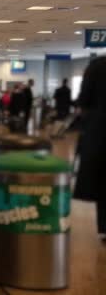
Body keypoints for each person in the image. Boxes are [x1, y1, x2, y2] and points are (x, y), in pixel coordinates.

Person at [73, 56, 106, 242]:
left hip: (101, 131)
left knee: (103, 180)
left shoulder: (98, 65)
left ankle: (105, 228)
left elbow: (83, 100)